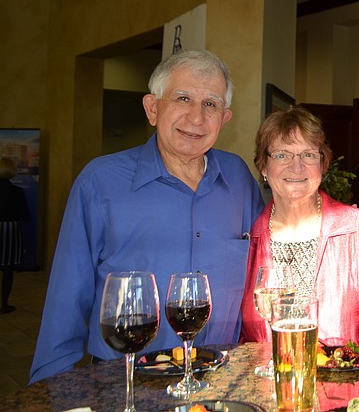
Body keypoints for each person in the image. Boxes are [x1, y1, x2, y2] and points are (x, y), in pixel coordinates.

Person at [30, 50, 265, 384]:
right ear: (153, 109)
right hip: (126, 382)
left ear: (224, 118)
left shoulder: (239, 179)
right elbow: (66, 300)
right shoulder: (101, 182)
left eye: (210, 104)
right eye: (183, 98)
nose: (196, 118)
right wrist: (51, 391)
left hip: (220, 381)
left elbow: (265, 267)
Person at [239, 107, 359, 360]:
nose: (296, 166)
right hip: (269, 393)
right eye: (282, 155)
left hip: (349, 392)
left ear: (323, 164)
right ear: (263, 166)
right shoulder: (247, 240)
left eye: (308, 155)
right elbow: (245, 340)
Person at [0, 157, 30, 314]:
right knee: (8, 268)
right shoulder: (17, 192)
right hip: (10, 231)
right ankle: (4, 304)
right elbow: (26, 216)